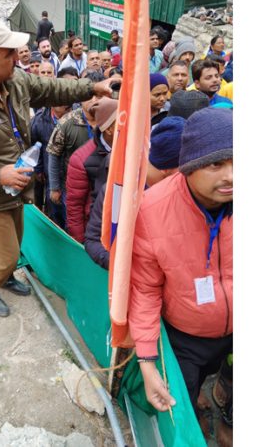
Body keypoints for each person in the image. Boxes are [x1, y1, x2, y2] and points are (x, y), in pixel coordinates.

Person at [0, 17, 119, 318]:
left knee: (15, 243)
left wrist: (91, 88)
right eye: (9, 53)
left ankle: (4, 275)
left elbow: (52, 88)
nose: (20, 56)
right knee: (6, 254)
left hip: (15, 186)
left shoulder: (14, 80)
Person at [128, 108, 232, 444]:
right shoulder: (151, 211)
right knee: (182, 399)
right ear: (188, 167)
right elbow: (144, 290)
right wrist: (147, 360)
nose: (232, 176)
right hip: (186, 339)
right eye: (216, 164)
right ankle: (196, 419)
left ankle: (224, 413)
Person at [84, 114, 186, 269]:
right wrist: (121, 265)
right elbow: (93, 239)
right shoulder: (119, 189)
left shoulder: (189, 194)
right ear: (169, 169)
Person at [46, 71, 105, 218]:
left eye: (98, 96)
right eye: (89, 96)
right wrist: (55, 188)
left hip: (103, 186)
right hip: (72, 188)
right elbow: (53, 155)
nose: (93, 101)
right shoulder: (67, 122)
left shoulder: (111, 121)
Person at [30, 66, 78, 226]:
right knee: (54, 211)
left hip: (73, 177)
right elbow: (34, 146)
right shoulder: (39, 119)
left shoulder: (79, 118)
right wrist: (38, 169)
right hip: (51, 175)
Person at [65, 97, 117, 243]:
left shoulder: (133, 148)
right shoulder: (81, 159)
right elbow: (74, 205)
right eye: (123, 120)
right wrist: (80, 241)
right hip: (97, 229)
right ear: (109, 129)